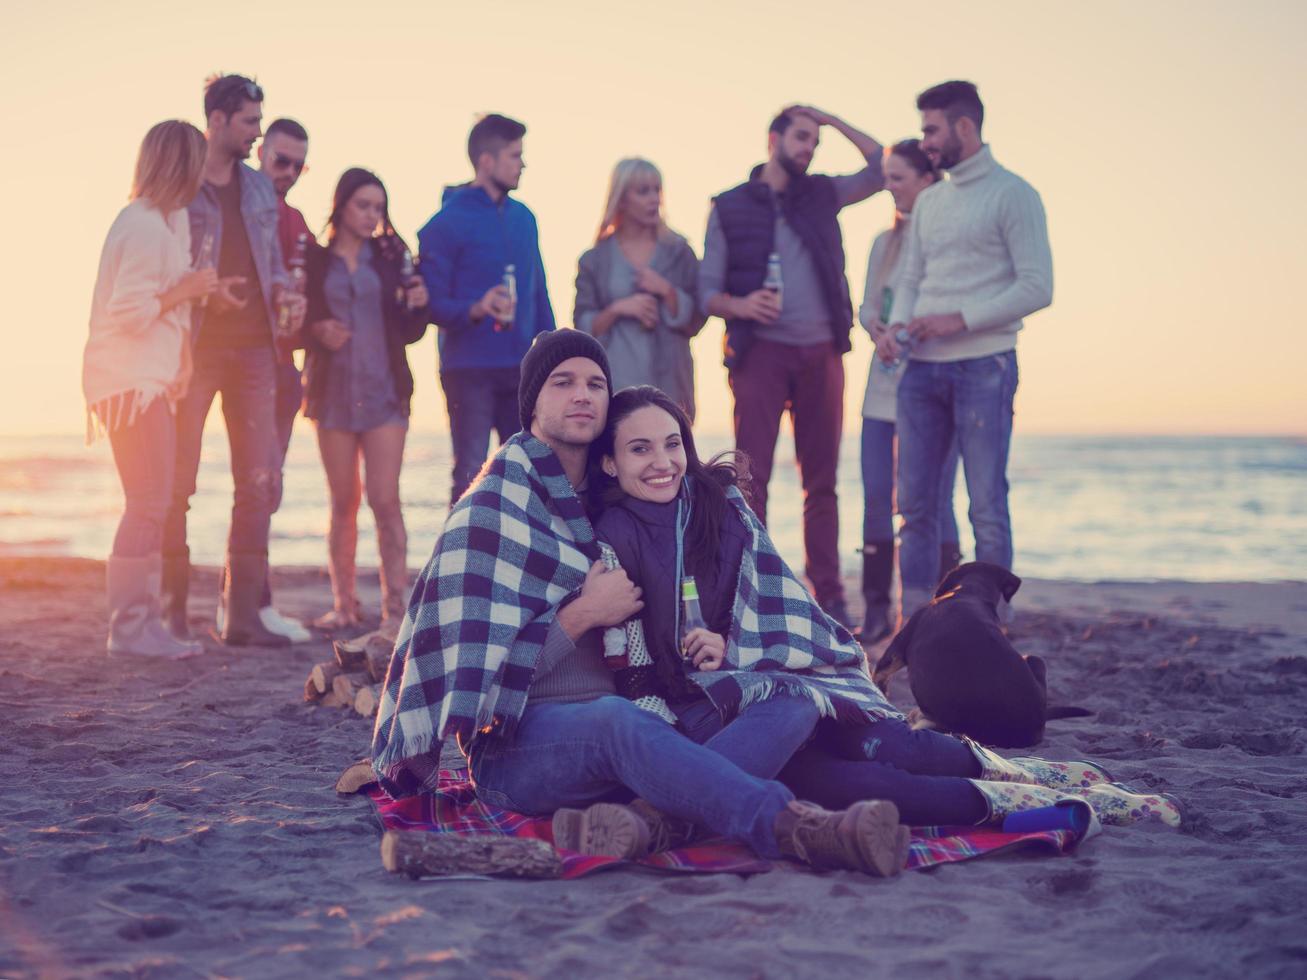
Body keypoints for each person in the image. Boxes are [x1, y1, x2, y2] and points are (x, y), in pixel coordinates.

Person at [369, 330, 914, 878]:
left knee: (793, 699)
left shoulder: (613, 500)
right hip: (520, 751)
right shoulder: (493, 511)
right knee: (612, 720)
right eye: (563, 383)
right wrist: (584, 613)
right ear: (532, 401)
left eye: (595, 384)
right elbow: (479, 687)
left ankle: (651, 823)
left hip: (642, 730)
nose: (582, 395)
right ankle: (794, 827)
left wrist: (714, 642)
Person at [579, 385, 1181, 842]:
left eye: (672, 443)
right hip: (716, 718)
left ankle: (1044, 775)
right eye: (639, 449)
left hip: (781, 683)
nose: (662, 462)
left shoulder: (721, 509)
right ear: (609, 463)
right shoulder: (610, 538)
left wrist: (729, 646)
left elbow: (774, 606)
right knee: (858, 784)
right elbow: (630, 664)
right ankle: (1049, 811)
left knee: (895, 747)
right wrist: (702, 663)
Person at [700, 105, 887, 628]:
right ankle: (753, 589)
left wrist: (830, 118)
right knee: (749, 478)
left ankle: (829, 595)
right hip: (759, 354)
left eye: (815, 141)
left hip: (822, 353)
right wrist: (742, 306)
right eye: (801, 137)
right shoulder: (730, 205)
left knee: (821, 480)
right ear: (773, 139)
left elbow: (880, 167)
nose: (809, 148)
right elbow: (706, 291)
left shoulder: (823, 193)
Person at [882, 81, 1053, 624]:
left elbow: (1038, 286)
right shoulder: (930, 203)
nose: (924, 140)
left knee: (986, 506)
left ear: (964, 126)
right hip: (920, 371)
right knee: (914, 508)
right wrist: (896, 325)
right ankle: (916, 624)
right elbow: (910, 278)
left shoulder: (1014, 194)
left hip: (986, 365)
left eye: (932, 129)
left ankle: (989, 624)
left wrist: (959, 321)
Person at [162, 73, 305, 648]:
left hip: (254, 351)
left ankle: (241, 618)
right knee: (178, 481)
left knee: (260, 479)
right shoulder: (180, 180)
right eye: (249, 122)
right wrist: (204, 291)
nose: (257, 134)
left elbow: (270, 263)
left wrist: (283, 294)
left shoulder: (255, 188)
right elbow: (163, 262)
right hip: (191, 349)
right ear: (217, 120)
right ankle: (170, 616)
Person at [83, 121, 219, 658]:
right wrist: (182, 289)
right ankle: (130, 628)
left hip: (151, 380)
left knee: (154, 501)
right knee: (147, 502)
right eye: (198, 161)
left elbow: (173, 302)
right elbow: (130, 311)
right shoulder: (139, 226)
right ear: (179, 165)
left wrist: (182, 358)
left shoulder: (170, 220)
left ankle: (144, 624)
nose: (206, 172)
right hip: (126, 382)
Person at [302, 168, 429, 631]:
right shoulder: (316, 261)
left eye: (379, 207)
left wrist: (418, 304)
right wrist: (316, 331)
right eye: (363, 206)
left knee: (384, 497)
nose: (372, 216)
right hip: (331, 393)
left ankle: (396, 608)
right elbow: (297, 321)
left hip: (384, 390)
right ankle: (344, 604)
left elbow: (413, 330)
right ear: (341, 205)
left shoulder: (392, 255)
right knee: (342, 502)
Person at [417, 113, 556, 507]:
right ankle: (459, 567)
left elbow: (539, 294)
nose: (523, 164)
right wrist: (476, 308)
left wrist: (555, 357)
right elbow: (432, 305)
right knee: (469, 473)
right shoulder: (443, 224)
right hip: (468, 370)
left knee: (528, 474)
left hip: (522, 370)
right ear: (487, 161)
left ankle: (520, 565)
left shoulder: (525, 219)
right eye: (515, 156)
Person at [856, 140, 961, 644]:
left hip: (934, 385)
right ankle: (878, 610)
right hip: (882, 388)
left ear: (926, 179)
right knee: (878, 495)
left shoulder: (947, 241)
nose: (888, 186)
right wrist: (878, 331)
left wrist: (910, 334)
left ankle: (948, 607)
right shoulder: (884, 242)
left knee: (932, 501)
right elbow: (868, 305)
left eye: (897, 177)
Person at [236, 115, 314, 643]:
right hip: (243, 362)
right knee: (256, 483)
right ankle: (248, 607)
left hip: (283, 364)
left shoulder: (297, 220)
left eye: (298, 165)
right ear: (260, 150)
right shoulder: (238, 207)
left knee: (268, 484)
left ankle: (252, 603)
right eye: (280, 159)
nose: (287, 171)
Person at [574, 158, 705, 420]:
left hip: (670, 386)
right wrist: (619, 308)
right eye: (643, 191)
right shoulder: (594, 260)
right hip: (615, 388)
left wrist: (667, 290)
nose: (654, 199)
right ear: (621, 198)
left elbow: (697, 319)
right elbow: (582, 330)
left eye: (657, 190)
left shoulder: (679, 251)